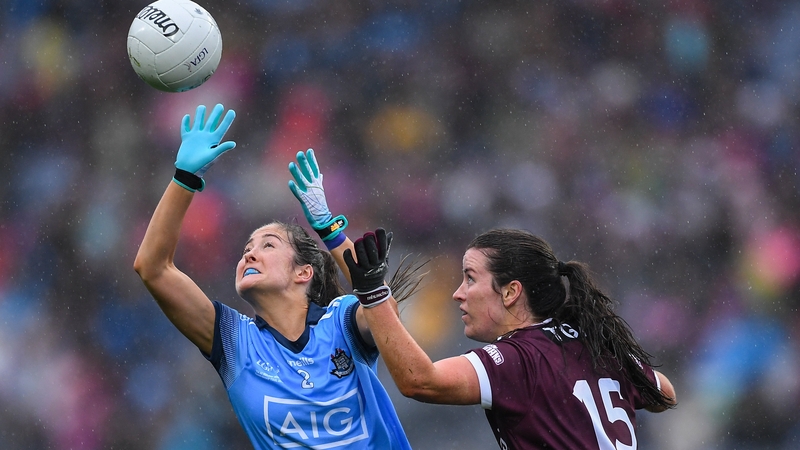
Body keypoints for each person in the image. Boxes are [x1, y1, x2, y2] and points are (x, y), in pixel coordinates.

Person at [133, 104, 414, 449]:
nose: (249, 253)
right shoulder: (234, 341)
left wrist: (330, 230)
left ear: (303, 272)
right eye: (246, 249)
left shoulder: (341, 321)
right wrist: (184, 178)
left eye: (268, 245)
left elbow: (386, 315)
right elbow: (153, 268)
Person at [338, 226, 677, 449]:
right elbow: (664, 393)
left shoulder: (518, 359)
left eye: (470, 278)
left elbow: (420, 382)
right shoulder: (594, 347)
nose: (458, 293)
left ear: (511, 291)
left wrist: (373, 295)